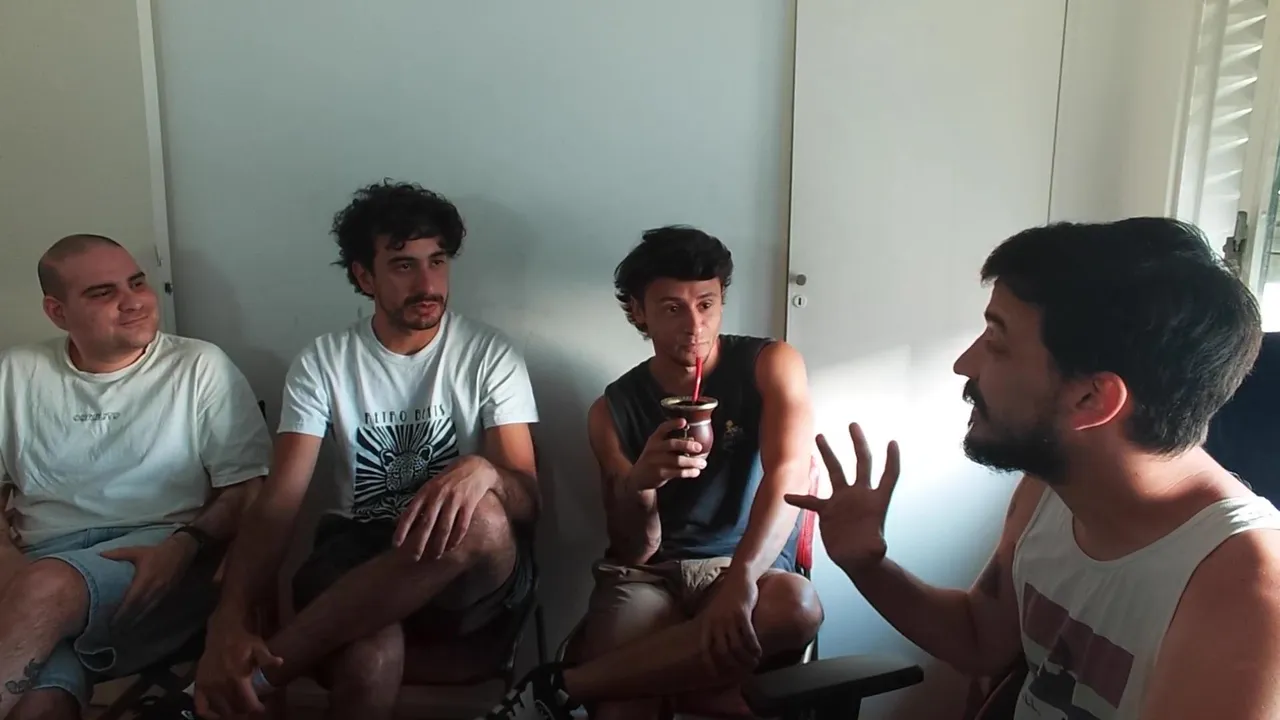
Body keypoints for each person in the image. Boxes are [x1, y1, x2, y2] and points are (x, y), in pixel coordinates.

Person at [788, 218, 1280, 720]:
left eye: (996, 341)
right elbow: (980, 637)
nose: (965, 364)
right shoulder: (1050, 489)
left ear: (1092, 398)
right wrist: (866, 564)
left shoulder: (1245, 591)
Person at [194, 181, 541, 720]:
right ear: (364, 277)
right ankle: (254, 675)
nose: (427, 284)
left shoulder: (490, 354)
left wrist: (485, 473)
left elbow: (529, 501)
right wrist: (229, 618)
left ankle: (263, 677)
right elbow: (279, 504)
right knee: (370, 656)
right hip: (357, 552)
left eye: (437, 261)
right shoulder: (324, 362)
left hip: (462, 577)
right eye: (403, 265)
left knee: (486, 517)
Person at [486, 226, 824, 720]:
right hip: (652, 576)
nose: (695, 325)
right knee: (623, 706)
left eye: (706, 304)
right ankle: (678, 687)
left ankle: (564, 687)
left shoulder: (770, 363)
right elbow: (634, 549)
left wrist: (741, 579)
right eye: (672, 309)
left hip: (749, 561)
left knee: (798, 607)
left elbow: (788, 474)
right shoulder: (611, 410)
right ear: (638, 312)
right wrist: (641, 483)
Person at [0, 234, 271, 720]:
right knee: (38, 705)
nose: (134, 302)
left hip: (155, 560)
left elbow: (248, 489)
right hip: (36, 565)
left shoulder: (198, 366)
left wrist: (185, 544)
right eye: (103, 292)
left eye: (137, 282)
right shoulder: (16, 372)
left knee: (44, 588)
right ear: (57, 312)